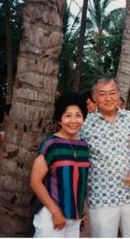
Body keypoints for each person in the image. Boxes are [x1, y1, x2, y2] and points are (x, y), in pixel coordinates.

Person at [80, 75, 130, 237]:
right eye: (102, 94)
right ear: (94, 97)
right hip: (101, 200)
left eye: (112, 93)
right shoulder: (85, 125)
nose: (108, 98)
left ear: (119, 94)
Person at [30, 93, 89, 237]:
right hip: (50, 215)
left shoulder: (83, 146)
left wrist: (83, 209)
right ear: (60, 120)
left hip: (74, 215)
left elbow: (82, 181)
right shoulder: (51, 144)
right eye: (68, 115)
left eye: (78, 115)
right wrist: (55, 212)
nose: (74, 120)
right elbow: (35, 182)